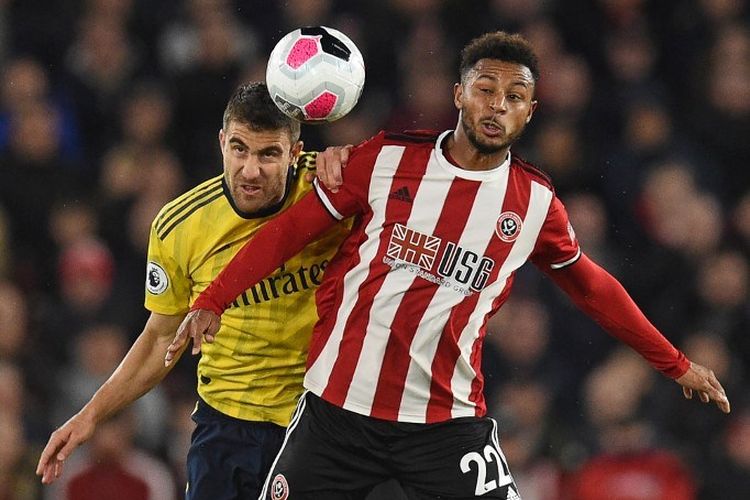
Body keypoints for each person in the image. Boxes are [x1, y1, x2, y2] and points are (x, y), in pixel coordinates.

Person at [167, 32, 731, 499]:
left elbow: (592, 288)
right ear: (458, 94)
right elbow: (288, 232)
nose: (497, 105)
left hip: (446, 425)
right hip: (335, 412)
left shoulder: (534, 204)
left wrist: (674, 363)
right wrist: (214, 298)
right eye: (486, 89)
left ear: (530, 112)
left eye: (514, 97)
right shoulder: (385, 160)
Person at [35, 82, 352, 499]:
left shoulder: (336, 189)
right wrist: (90, 416)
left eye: (268, 154)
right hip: (226, 428)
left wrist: (351, 159)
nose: (250, 170)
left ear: (295, 152)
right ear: (221, 142)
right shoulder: (179, 226)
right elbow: (161, 338)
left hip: (317, 422)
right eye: (239, 149)